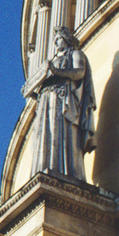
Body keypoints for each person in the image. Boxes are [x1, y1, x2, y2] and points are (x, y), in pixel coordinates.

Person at [30, 26, 96, 181]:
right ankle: (46, 169)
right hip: (46, 99)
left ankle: (66, 171)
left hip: (63, 97)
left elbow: (79, 71)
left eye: (58, 39)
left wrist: (56, 71)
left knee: (61, 132)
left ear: (66, 39)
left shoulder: (75, 54)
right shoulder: (51, 61)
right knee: (47, 134)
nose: (55, 43)